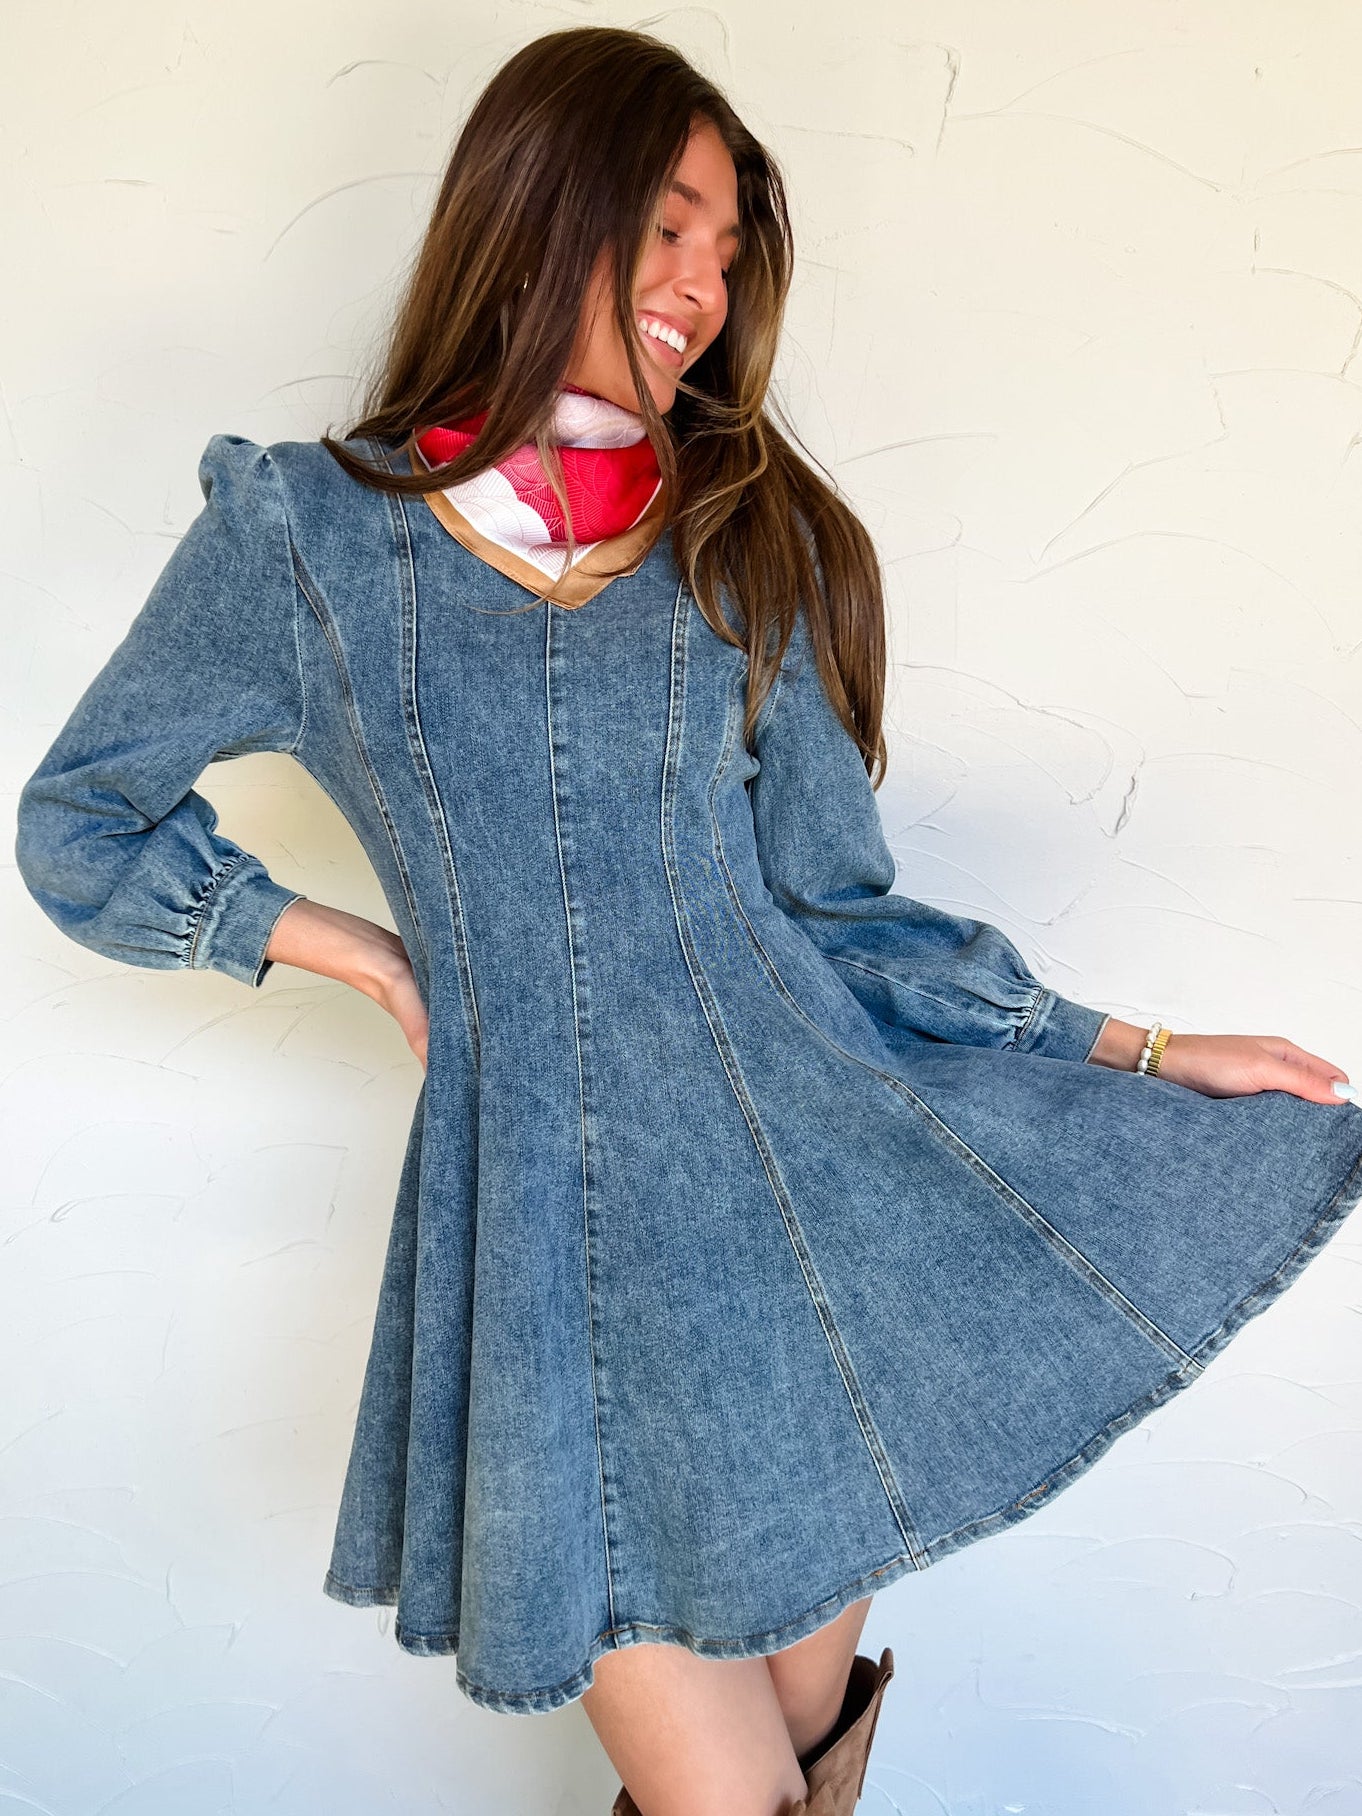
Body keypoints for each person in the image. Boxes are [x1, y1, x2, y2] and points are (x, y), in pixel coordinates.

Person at [13, 24, 1362, 1816]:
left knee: (803, 1779)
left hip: (813, 1224)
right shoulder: (307, 538)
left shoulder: (747, 547)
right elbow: (80, 818)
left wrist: (1144, 1050)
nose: (700, 290)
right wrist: (362, 953)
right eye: (666, 229)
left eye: (727, 254)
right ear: (536, 206)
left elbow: (838, 916)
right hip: (542, 1264)